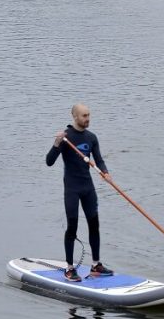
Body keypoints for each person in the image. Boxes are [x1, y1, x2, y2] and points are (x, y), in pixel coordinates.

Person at [46, 104, 115, 282]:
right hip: (72, 188)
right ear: (75, 117)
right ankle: (69, 269)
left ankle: (96, 265)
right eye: (84, 116)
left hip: (88, 188)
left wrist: (105, 173)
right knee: (72, 226)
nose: (87, 118)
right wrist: (56, 144)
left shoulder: (92, 138)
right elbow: (49, 162)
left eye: (89, 115)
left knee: (94, 224)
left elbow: (99, 159)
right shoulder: (66, 138)